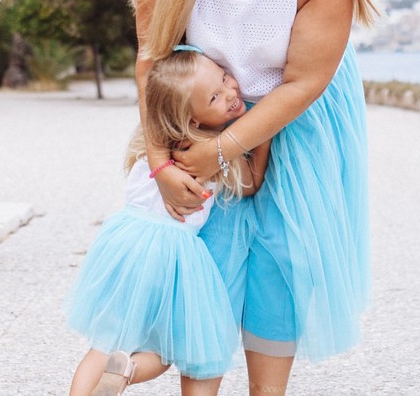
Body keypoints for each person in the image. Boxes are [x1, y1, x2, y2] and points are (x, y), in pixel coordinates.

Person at [128, 0, 377, 395]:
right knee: (206, 266)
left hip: (296, 121)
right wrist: (160, 165)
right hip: (205, 114)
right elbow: (150, 66)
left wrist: (224, 152)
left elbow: (304, 83)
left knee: (279, 270)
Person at [66, 46, 270, 396]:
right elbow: (250, 185)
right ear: (193, 120)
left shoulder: (150, 145)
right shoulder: (208, 153)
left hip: (125, 244)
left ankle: (98, 378)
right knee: (164, 350)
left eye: (224, 78)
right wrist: (261, 132)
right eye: (216, 97)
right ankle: (127, 370)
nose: (231, 92)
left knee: (104, 341)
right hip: (173, 256)